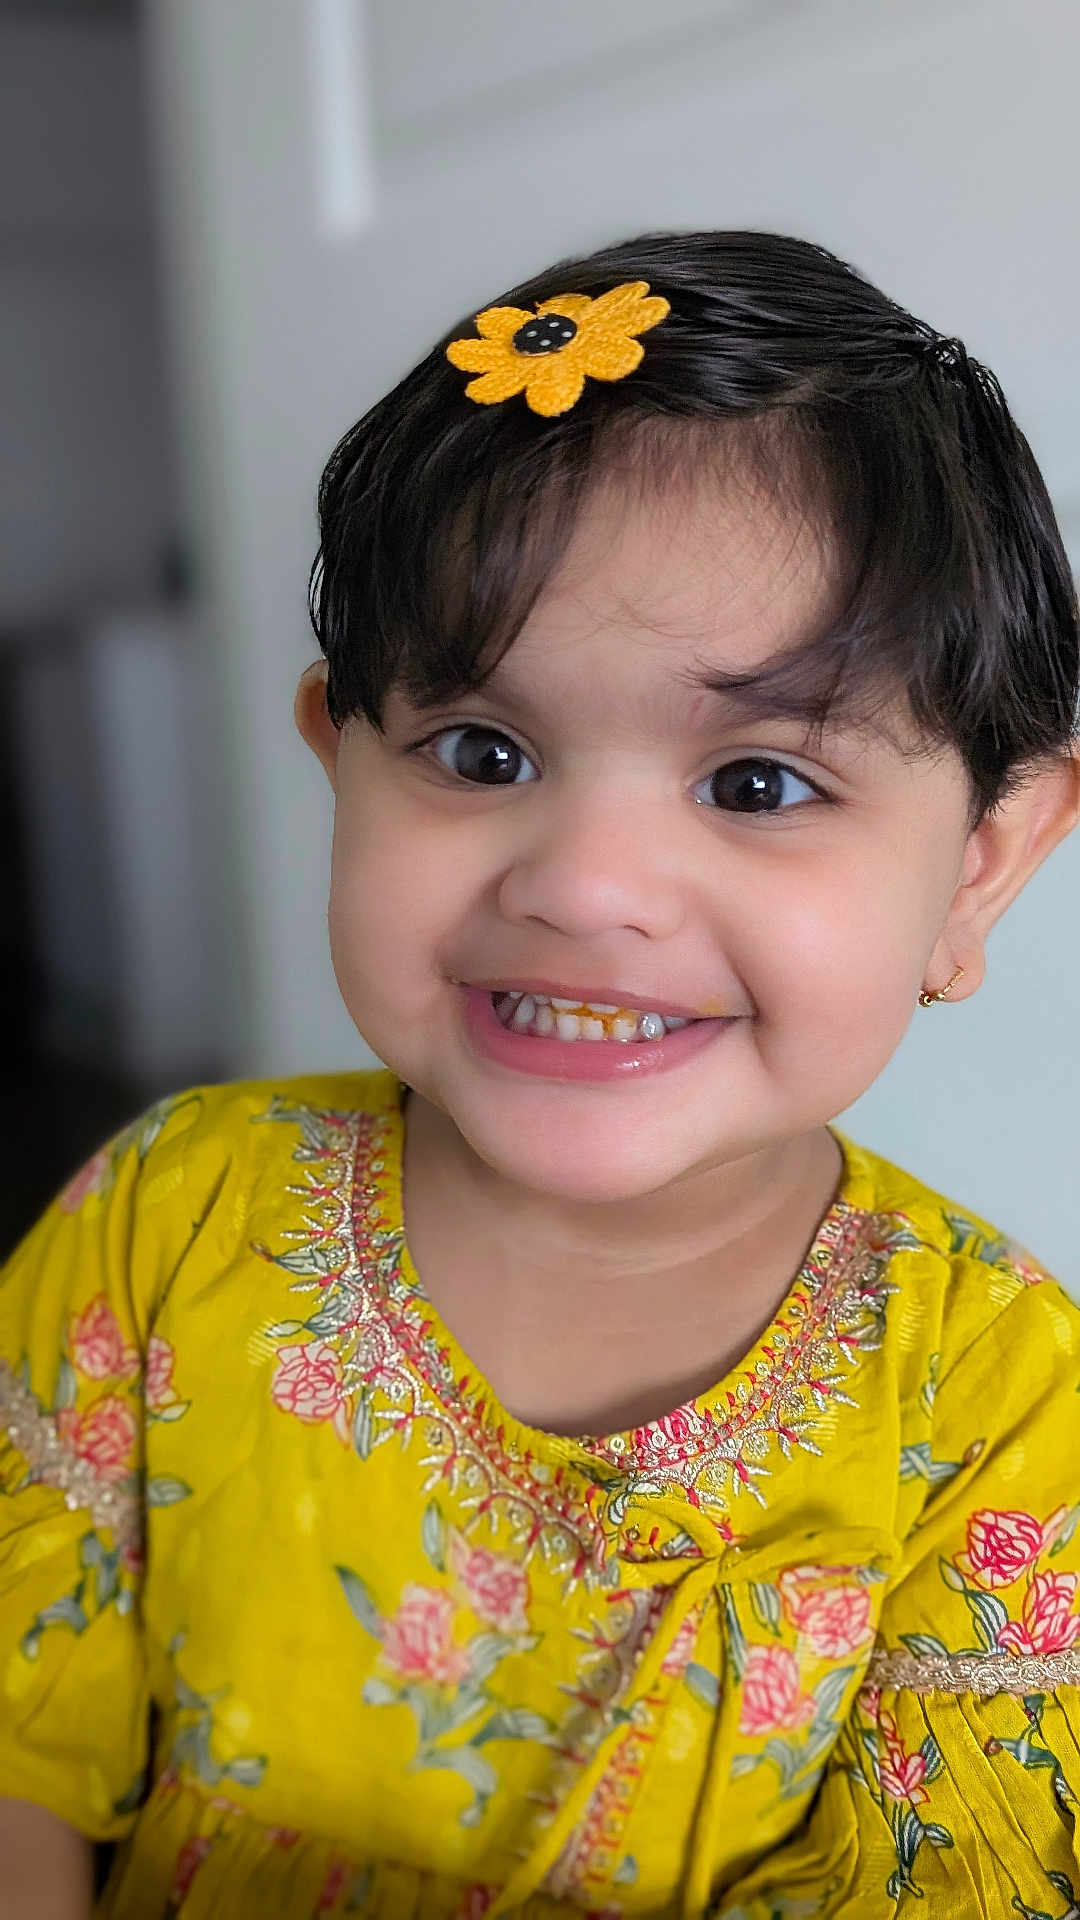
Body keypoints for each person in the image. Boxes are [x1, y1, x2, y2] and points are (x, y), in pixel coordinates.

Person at [2, 229, 1080, 1920]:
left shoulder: (1002, 1410)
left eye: (758, 784)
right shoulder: (163, 1224)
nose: (581, 883)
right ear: (339, 767)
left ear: (982, 866)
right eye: (480, 753)